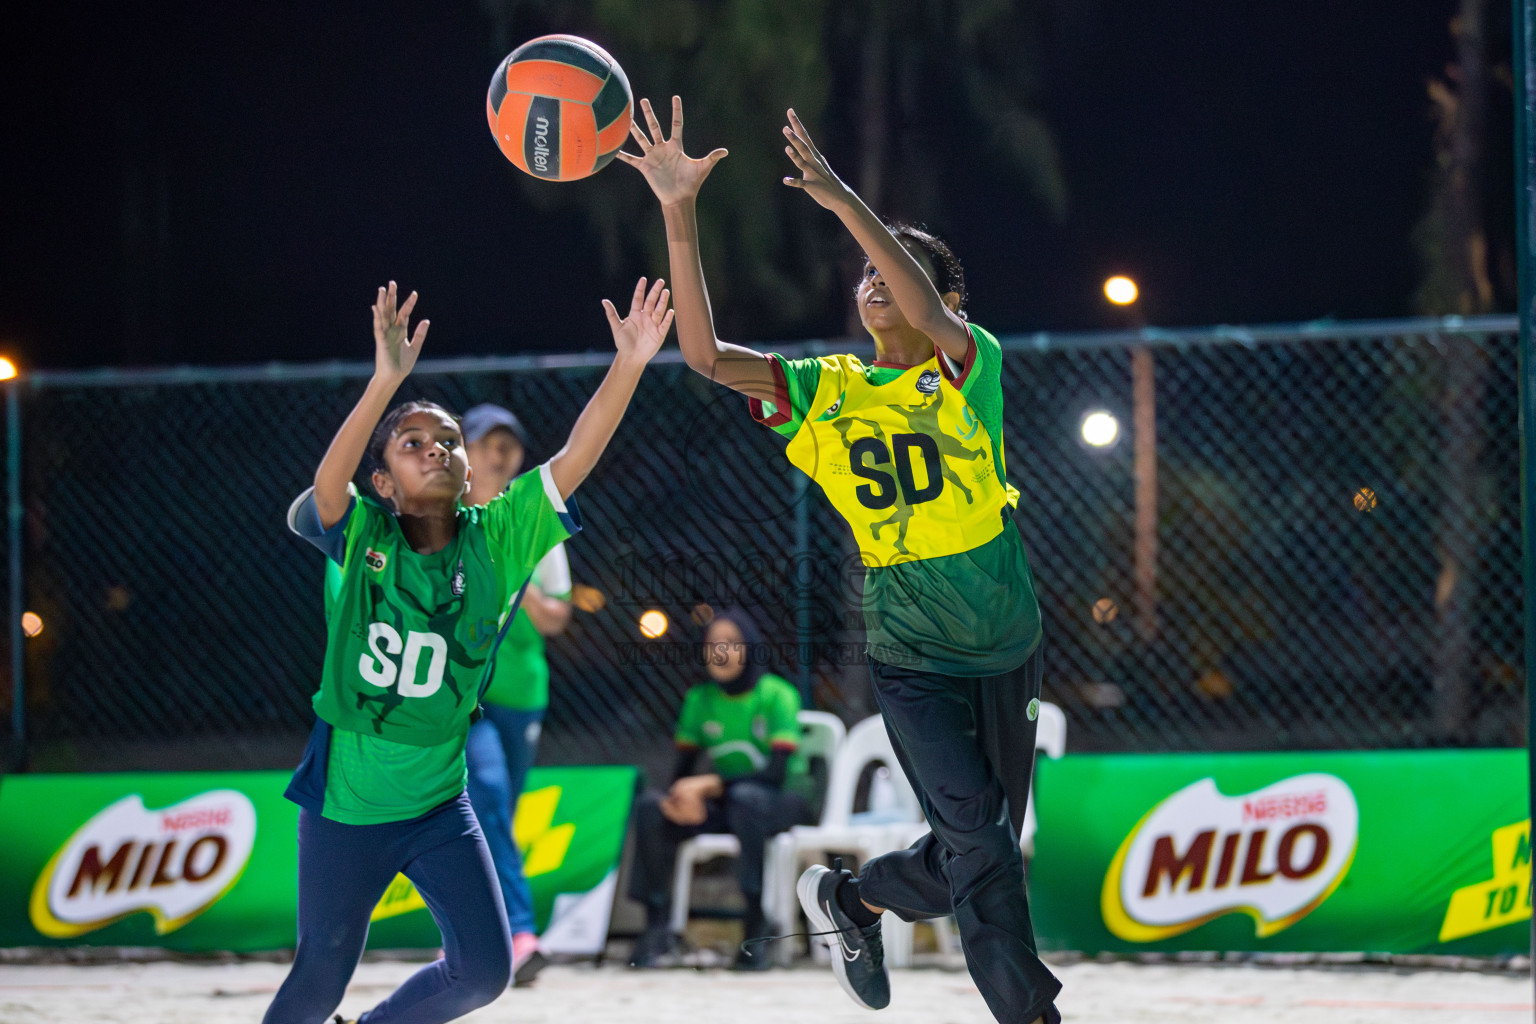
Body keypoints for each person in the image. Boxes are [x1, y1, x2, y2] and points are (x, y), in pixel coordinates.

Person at [621, 98, 1061, 1024]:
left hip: (1005, 637)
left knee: (980, 848)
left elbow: (930, 306)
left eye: (889, 270)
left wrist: (843, 200)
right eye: (863, 269)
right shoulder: (826, 392)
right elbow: (701, 356)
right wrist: (677, 207)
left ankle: (851, 900)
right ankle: (1031, 1015)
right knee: (980, 843)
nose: (871, 278)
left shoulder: (963, 365)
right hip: (911, 650)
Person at [265, 277, 673, 1024]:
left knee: (484, 975)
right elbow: (327, 486)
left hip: (436, 805)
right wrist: (386, 379)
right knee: (319, 976)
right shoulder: (360, 537)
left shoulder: (502, 535)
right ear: (383, 481)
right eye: (413, 443)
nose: (438, 448)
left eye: (448, 439)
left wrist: (631, 363)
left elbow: (578, 452)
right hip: (346, 808)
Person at [627, 608, 810, 971]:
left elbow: (774, 774)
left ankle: (756, 927)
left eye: (731, 643)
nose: (720, 652)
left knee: (747, 800)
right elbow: (683, 772)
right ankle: (657, 927)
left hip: (782, 801)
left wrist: (710, 785)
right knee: (651, 807)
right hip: (733, 805)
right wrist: (680, 799)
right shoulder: (700, 699)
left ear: (750, 649)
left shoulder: (776, 695)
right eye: (713, 644)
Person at [460, 402, 573, 986]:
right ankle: (520, 933)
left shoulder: (532, 526)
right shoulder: (443, 519)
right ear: (464, 452)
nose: (499, 455)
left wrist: (516, 580)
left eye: (508, 445)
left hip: (522, 692)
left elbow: (558, 617)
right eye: (487, 443)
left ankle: (468, 937)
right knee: (489, 799)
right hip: (459, 694)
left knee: (486, 814)